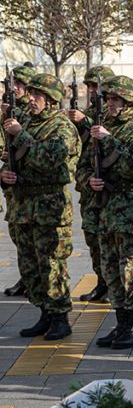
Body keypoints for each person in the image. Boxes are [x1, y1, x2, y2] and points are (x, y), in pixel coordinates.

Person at [1, 73, 81, 340]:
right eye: (31, 94)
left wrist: (20, 134)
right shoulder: (25, 122)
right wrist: (5, 174)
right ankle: (44, 312)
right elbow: (12, 158)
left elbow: (49, 160)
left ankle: (60, 317)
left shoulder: (62, 127)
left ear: (50, 100)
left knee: (51, 264)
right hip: (23, 206)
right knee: (30, 264)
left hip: (49, 207)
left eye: (38, 96)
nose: (31, 99)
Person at [82, 75, 133, 349]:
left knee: (130, 270)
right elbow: (81, 166)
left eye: (116, 100)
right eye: (109, 99)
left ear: (130, 102)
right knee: (111, 270)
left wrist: (110, 141)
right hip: (104, 210)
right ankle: (122, 323)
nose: (111, 104)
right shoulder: (99, 129)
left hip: (129, 211)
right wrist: (88, 181)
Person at [68, 65, 115, 304]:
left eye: (97, 86)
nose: (93, 91)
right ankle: (101, 282)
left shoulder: (110, 113)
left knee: (108, 241)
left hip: (108, 187)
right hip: (89, 185)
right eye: (90, 87)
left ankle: (111, 285)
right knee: (92, 238)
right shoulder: (87, 111)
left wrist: (85, 122)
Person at [1, 64, 35, 299]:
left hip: (30, 184)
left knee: (31, 236)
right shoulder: (7, 109)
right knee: (18, 235)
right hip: (12, 180)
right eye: (12, 84)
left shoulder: (32, 113)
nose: (15, 88)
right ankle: (26, 277)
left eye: (21, 84)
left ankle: (33, 279)